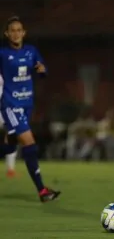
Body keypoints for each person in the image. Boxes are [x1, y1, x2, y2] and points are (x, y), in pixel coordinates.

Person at [0, 16, 60, 201]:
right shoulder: (2, 53)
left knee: (10, 147)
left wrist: (42, 70)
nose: (16, 34)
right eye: (13, 30)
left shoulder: (31, 51)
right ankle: (42, 190)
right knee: (29, 143)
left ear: (24, 33)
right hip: (10, 105)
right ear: (7, 34)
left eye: (19, 30)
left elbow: (42, 70)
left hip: (27, 105)